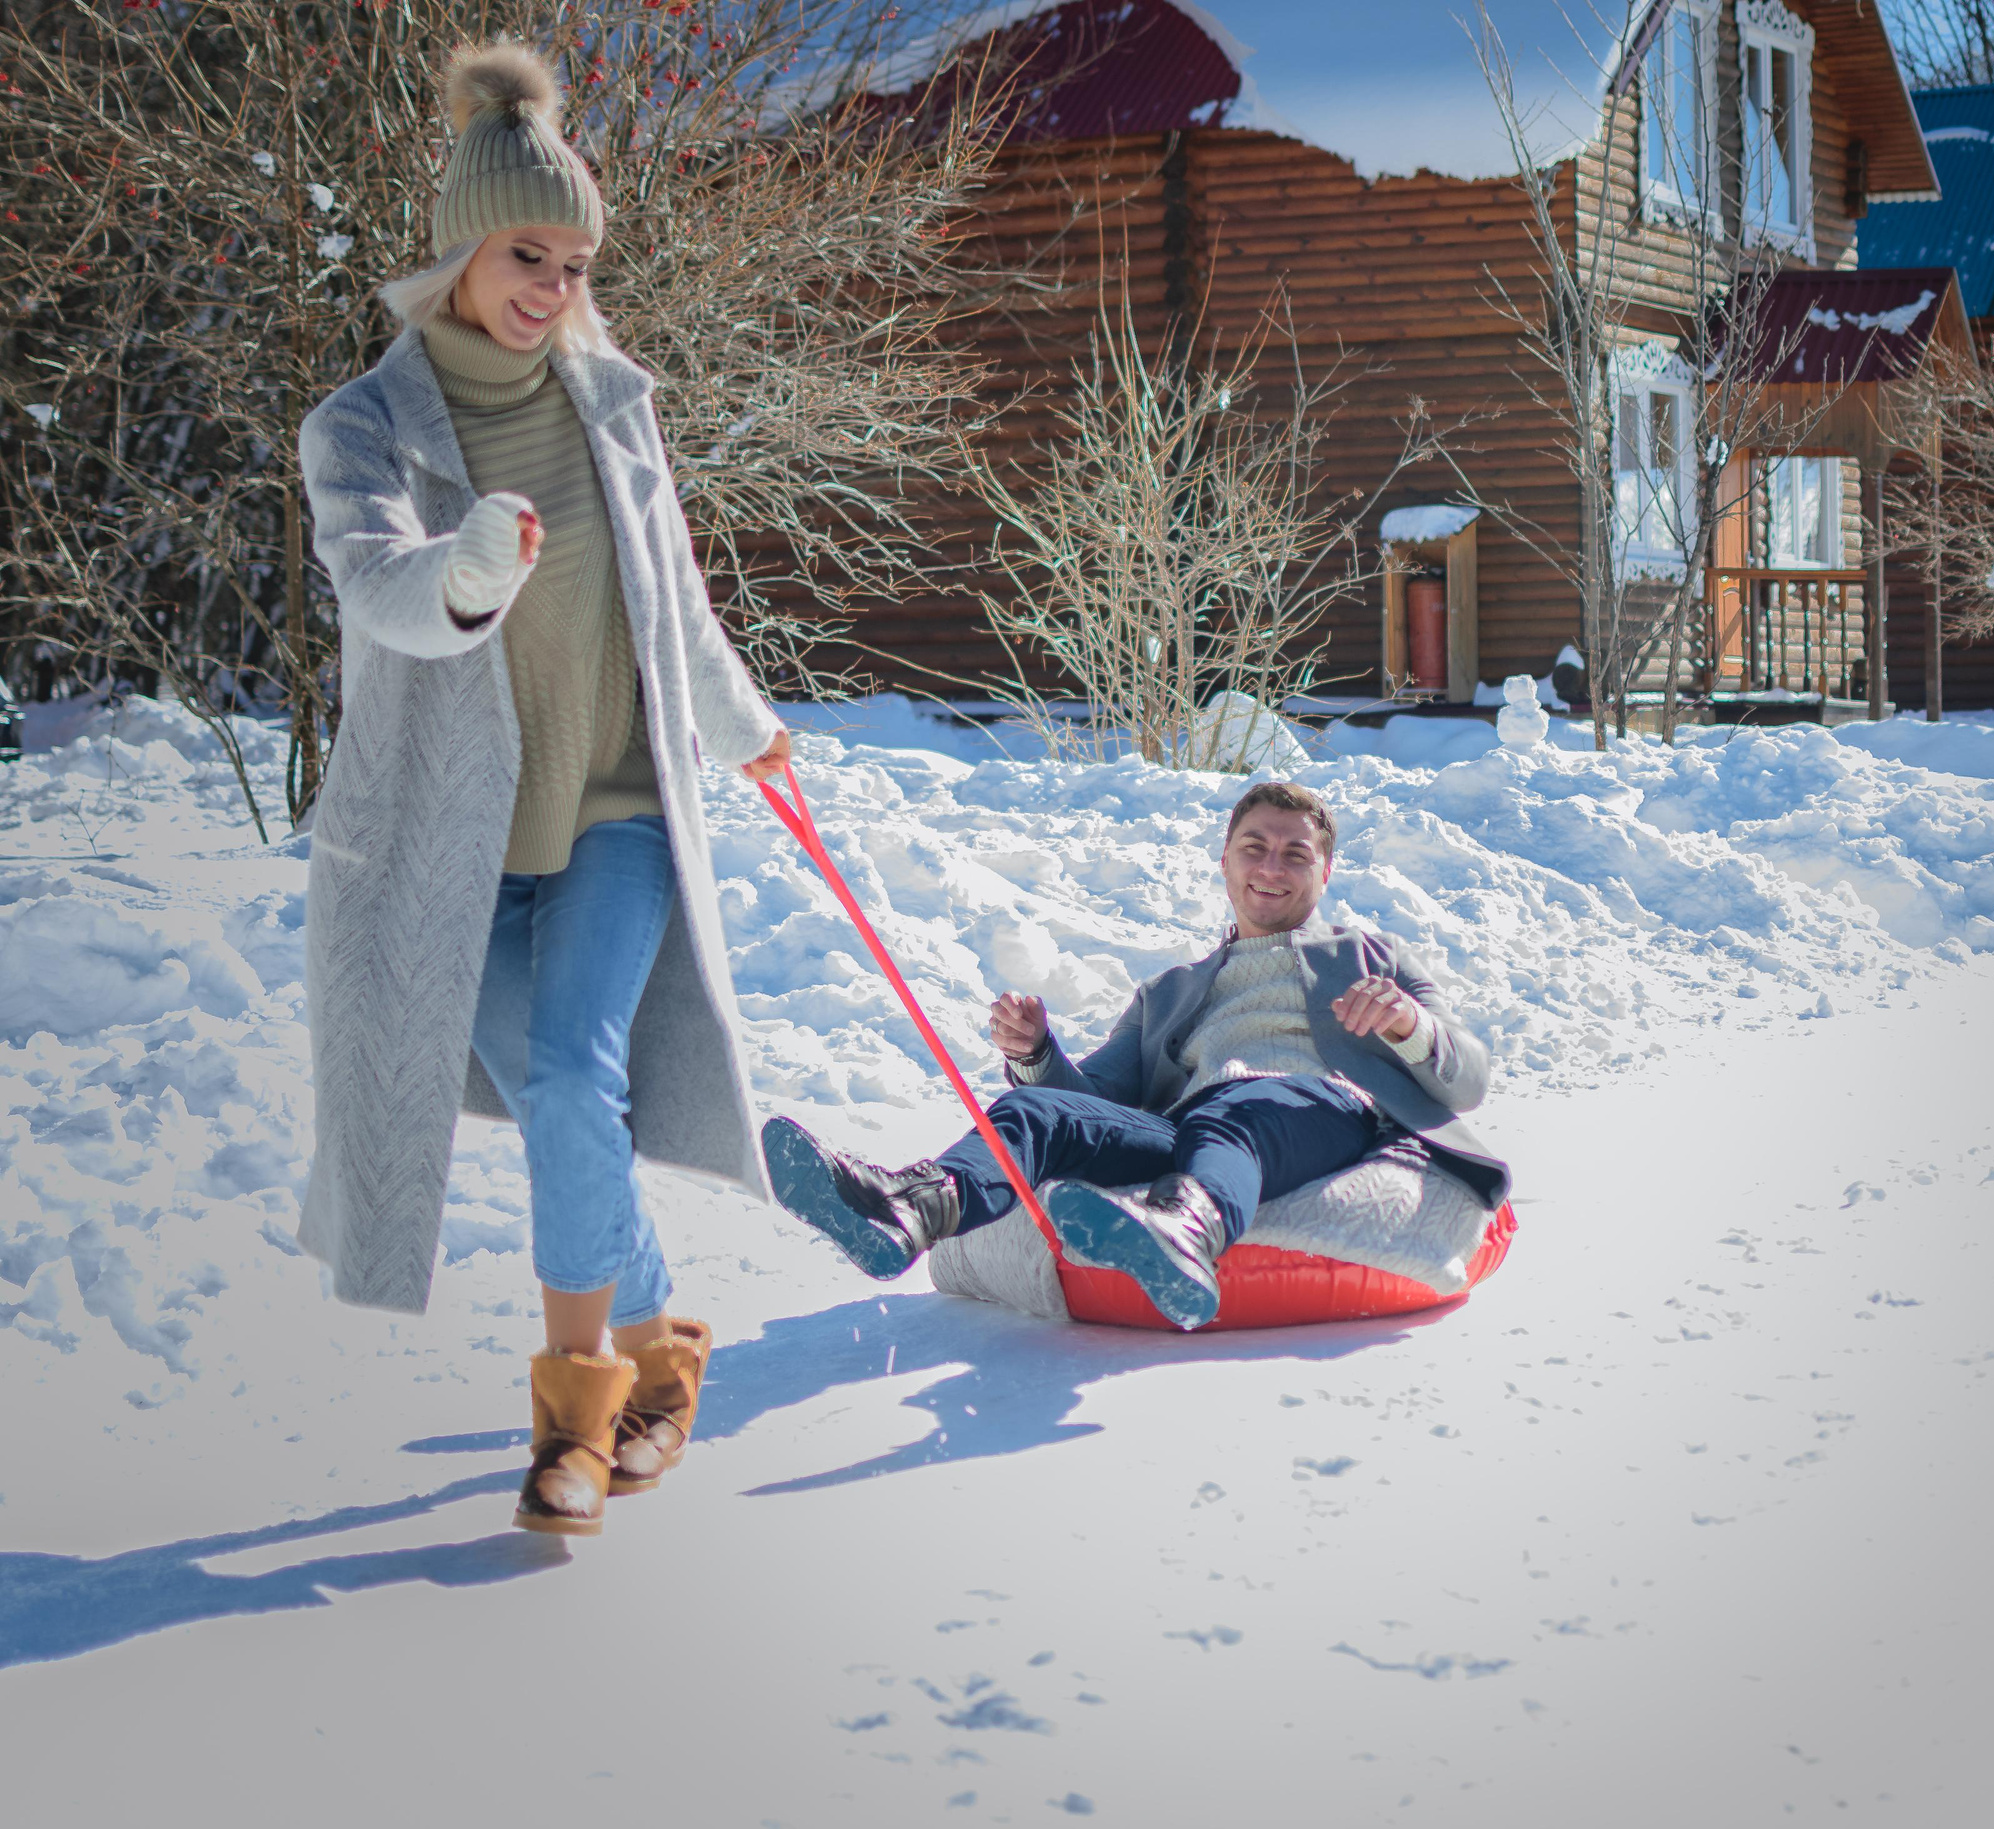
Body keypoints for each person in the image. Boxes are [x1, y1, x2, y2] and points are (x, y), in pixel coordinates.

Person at [296, 43, 790, 1535]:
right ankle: (667, 1351)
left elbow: (672, 601)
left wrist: (745, 727)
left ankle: (573, 1428)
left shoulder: (612, 406)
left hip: (613, 812)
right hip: (446, 848)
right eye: (529, 255)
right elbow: (379, 585)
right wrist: (463, 572)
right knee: (566, 1114)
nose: (553, 288)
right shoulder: (361, 428)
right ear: (461, 245)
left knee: (577, 1078)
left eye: (574, 265)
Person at [763, 782, 1511, 1329]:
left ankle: (1185, 1231)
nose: (1272, 867)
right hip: (1194, 1129)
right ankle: (911, 1208)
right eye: (1254, 847)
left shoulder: (1374, 957)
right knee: (1033, 1110)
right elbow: (1092, 1098)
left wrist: (1409, 1026)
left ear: (1325, 872)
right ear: (1225, 860)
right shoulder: (1170, 992)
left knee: (1236, 1110)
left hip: (1316, 1110)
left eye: (1296, 854)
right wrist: (1037, 1054)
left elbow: (1469, 1077)